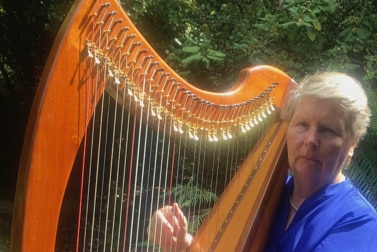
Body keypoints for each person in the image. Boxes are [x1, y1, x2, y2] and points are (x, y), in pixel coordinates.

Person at [147, 72, 377, 251]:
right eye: (302, 125)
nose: (310, 140)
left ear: (352, 145)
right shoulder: (271, 196)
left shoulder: (359, 224)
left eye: (328, 130)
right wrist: (180, 243)